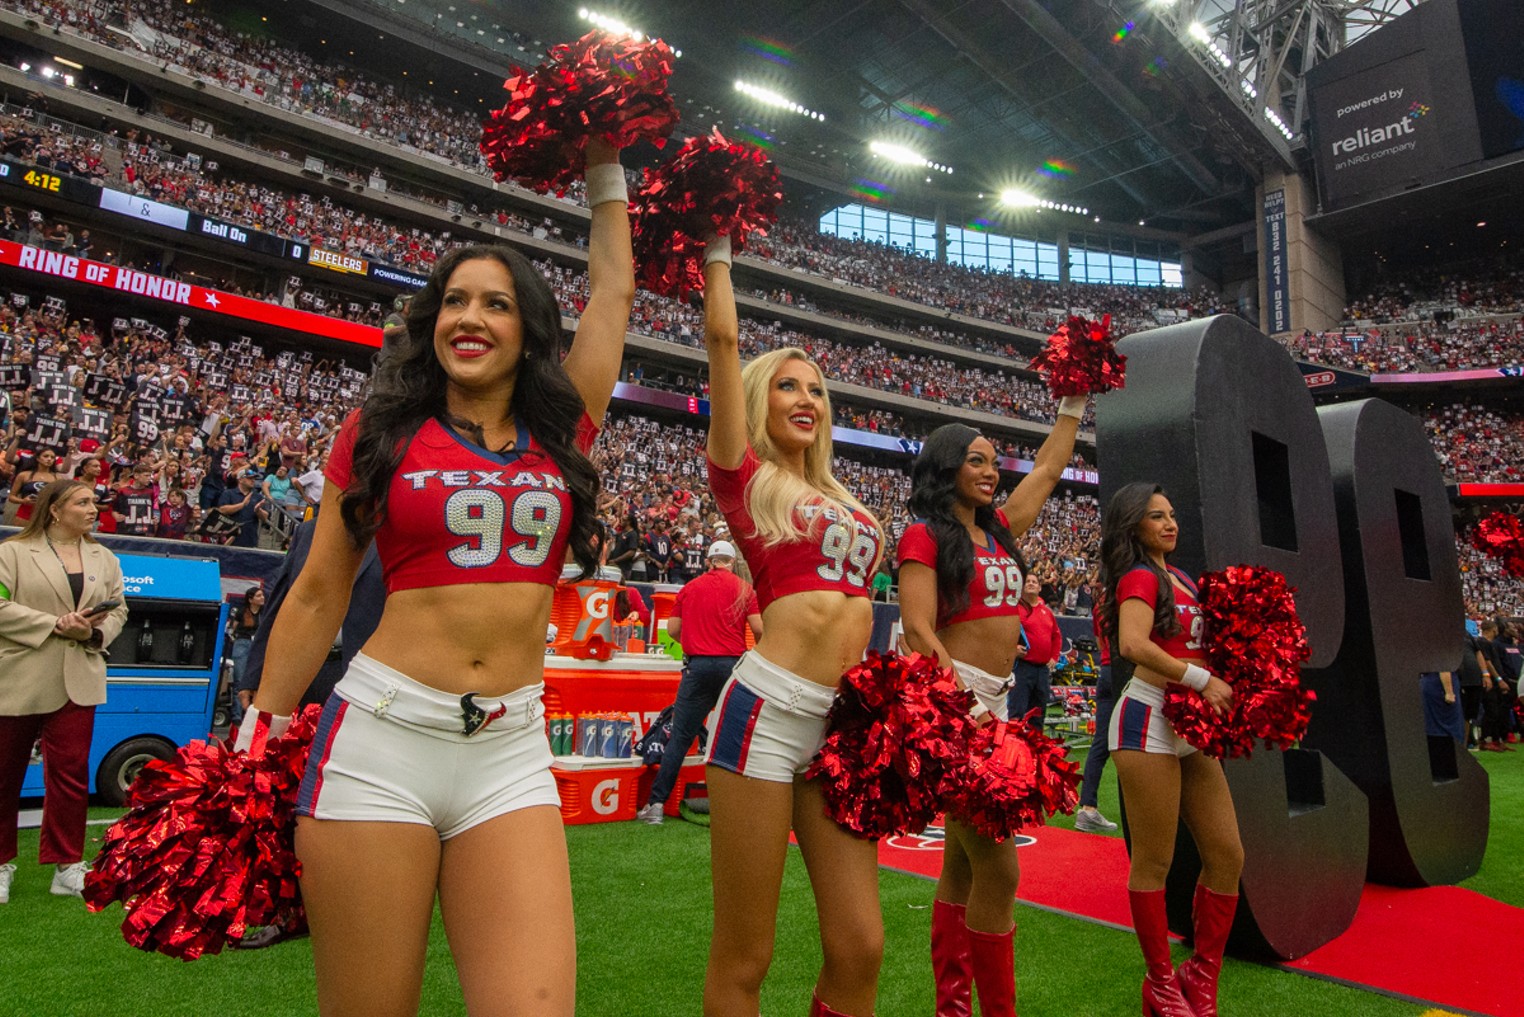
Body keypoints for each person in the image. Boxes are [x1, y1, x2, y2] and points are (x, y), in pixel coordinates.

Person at [242, 139, 632, 1016]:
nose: (472, 317)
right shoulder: (377, 428)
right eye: (454, 299)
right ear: (432, 319)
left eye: (497, 303)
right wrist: (258, 728)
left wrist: (604, 163)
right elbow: (317, 593)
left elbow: (613, 294)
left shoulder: (564, 426)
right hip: (379, 740)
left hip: (509, 750)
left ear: (527, 326)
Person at [701, 235, 886, 1017]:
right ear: (756, 399)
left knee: (861, 943)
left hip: (842, 726)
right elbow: (723, 337)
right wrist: (717, 252)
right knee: (748, 952)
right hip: (767, 715)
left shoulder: (848, 499)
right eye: (786, 386)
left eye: (815, 388)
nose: (806, 398)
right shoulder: (741, 475)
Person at [896, 406, 1083, 1017]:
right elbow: (920, 628)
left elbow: (1050, 469)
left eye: (994, 462)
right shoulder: (923, 534)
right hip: (956, 706)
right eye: (976, 460)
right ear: (946, 466)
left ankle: (952, 1007)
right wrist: (963, 706)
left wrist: (1072, 405)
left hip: (997, 702)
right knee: (1000, 871)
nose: (990, 470)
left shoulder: (998, 530)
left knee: (961, 864)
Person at [1100, 482, 1243, 1017]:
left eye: (1172, 514)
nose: (1169, 523)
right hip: (1147, 722)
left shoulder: (1179, 577)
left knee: (1227, 855)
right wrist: (1201, 678)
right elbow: (1133, 646)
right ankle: (1160, 983)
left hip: (1192, 727)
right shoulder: (1139, 575)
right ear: (1133, 524)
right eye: (1155, 516)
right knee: (1154, 861)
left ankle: (1200, 975)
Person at [0, 480, 129, 903]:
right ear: (54, 510)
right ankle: (2, 864)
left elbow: (119, 607)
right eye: (84, 502)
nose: (95, 508)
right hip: (18, 675)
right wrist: (54, 624)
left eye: (94, 501)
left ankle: (67, 865)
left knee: (71, 775)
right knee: (5, 774)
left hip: (80, 674)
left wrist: (93, 633)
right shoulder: (12, 552)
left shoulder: (104, 557)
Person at [635, 539, 762, 825]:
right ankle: (741, 807)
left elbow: (673, 629)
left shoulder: (690, 588)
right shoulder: (744, 589)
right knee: (737, 738)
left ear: (709, 560)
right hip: (732, 667)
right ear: (731, 562)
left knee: (680, 737)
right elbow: (759, 629)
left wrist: (695, 643)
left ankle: (655, 805)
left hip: (698, 666)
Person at [1074, 606, 1121, 834]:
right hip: (1123, 668)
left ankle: (1088, 807)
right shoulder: (1125, 591)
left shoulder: (1101, 602)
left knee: (1101, 743)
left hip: (1107, 669)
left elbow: (1100, 641)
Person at [1006, 568, 1063, 727]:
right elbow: (1005, 634)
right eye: (1027, 582)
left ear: (1039, 588)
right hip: (1023, 668)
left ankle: (1035, 750)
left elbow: (1056, 636)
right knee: (1017, 712)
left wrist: (1054, 657)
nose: (1031, 584)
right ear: (1022, 587)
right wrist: (1013, 649)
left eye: (1034, 582)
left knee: (1038, 715)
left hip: (1042, 671)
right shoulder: (1015, 609)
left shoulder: (1047, 612)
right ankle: (1013, 749)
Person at [225, 586, 265, 728]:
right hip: (243, 643)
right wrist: (235, 639)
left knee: (256, 680)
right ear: (250, 599)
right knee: (240, 680)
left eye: (262, 595)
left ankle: (252, 714)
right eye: (259, 596)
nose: (262, 598)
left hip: (258, 646)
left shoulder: (264, 612)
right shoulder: (242, 612)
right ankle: (236, 716)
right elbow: (231, 629)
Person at [5, 448, 63, 525]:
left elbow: (61, 499)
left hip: (46, 515)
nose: (49, 459)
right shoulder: (24, 475)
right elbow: (11, 497)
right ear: (38, 458)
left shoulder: (58, 478)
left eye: (52, 457)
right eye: (46, 456)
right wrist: (23, 501)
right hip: (24, 514)